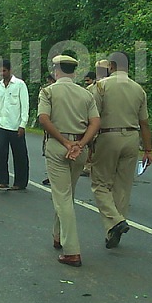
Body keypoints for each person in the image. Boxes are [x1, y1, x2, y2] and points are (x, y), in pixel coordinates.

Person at [38, 55, 100, 266]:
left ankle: (72, 250)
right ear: (74, 72)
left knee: (62, 195)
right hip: (79, 148)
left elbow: (43, 119)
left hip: (59, 146)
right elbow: (95, 122)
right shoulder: (85, 94)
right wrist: (80, 144)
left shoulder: (48, 91)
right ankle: (58, 235)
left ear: (56, 70)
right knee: (66, 193)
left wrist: (65, 143)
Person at [90, 55, 152, 249]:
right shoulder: (138, 89)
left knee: (100, 183)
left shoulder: (101, 86)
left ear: (111, 66)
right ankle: (113, 230)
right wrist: (149, 149)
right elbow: (144, 123)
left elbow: (93, 117)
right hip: (132, 137)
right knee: (123, 186)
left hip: (108, 135)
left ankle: (116, 221)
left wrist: (88, 143)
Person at [0, 59, 30, 190]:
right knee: (0, 152)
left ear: (10, 70)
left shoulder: (19, 85)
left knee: (19, 155)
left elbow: (25, 106)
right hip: (1, 124)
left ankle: (20, 182)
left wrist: (23, 124)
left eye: (4, 70)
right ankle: (1, 180)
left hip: (15, 126)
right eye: (0, 71)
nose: (2, 73)